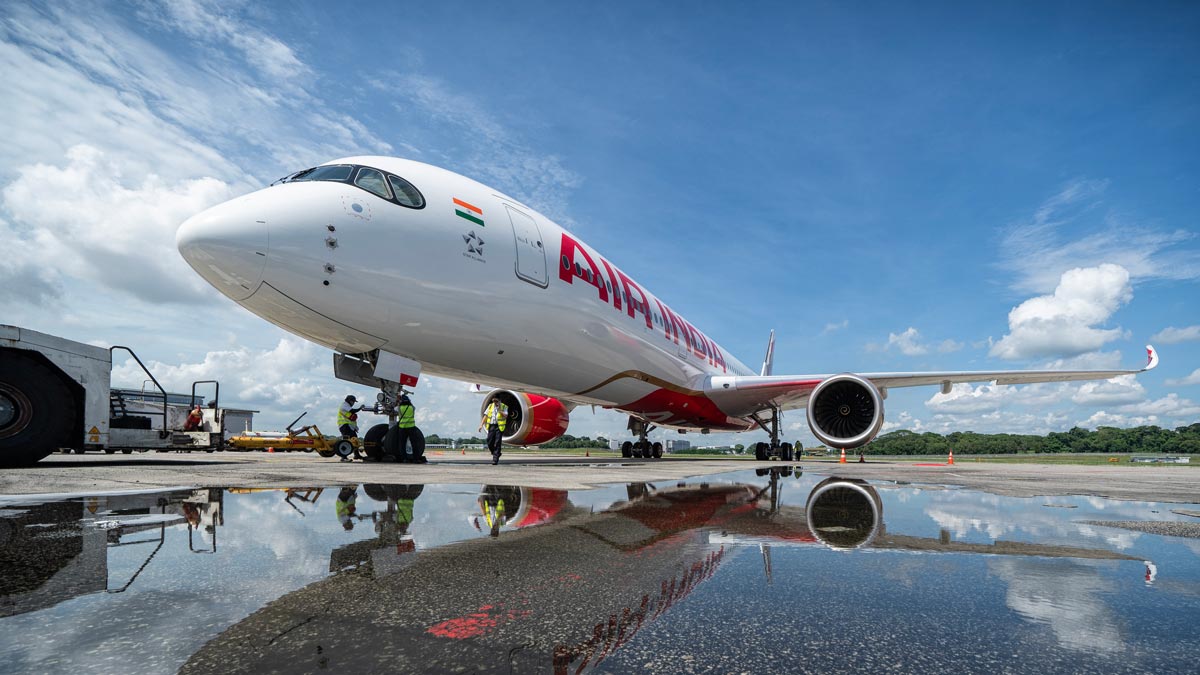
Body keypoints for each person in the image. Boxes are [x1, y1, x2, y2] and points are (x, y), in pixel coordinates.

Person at [394, 394, 424, 463]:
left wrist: (397, 401)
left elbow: (394, 408)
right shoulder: (411, 408)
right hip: (411, 427)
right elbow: (413, 406)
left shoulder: (399, 408)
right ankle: (416, 458)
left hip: (402, 427)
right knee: (414, 443)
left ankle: (404, 459)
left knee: (402, 444)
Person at [479, 398, 508, 465]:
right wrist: (481, 425)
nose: (495, 403)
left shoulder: (504, 406)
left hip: (499, 426)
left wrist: (499, 410)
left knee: (497, 442)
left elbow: (506, 415)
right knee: (489, 441)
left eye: (496, 401)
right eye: (494, 401)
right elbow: (485, 416)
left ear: (500, 401)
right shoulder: (490, 406)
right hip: (491, 426)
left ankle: (495, 459)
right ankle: (496, 453)